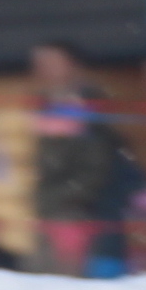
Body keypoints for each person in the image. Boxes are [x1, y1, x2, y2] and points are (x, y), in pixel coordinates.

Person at [27, 41, 126, 277]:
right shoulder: (45, 104)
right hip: (52, 205)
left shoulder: (90, 105)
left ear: (73, 65)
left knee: (70, 276)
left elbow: (98, 161)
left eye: (52, 63)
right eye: (40, 64)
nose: (44, 69)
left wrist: (71, 197)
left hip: (84, 208)